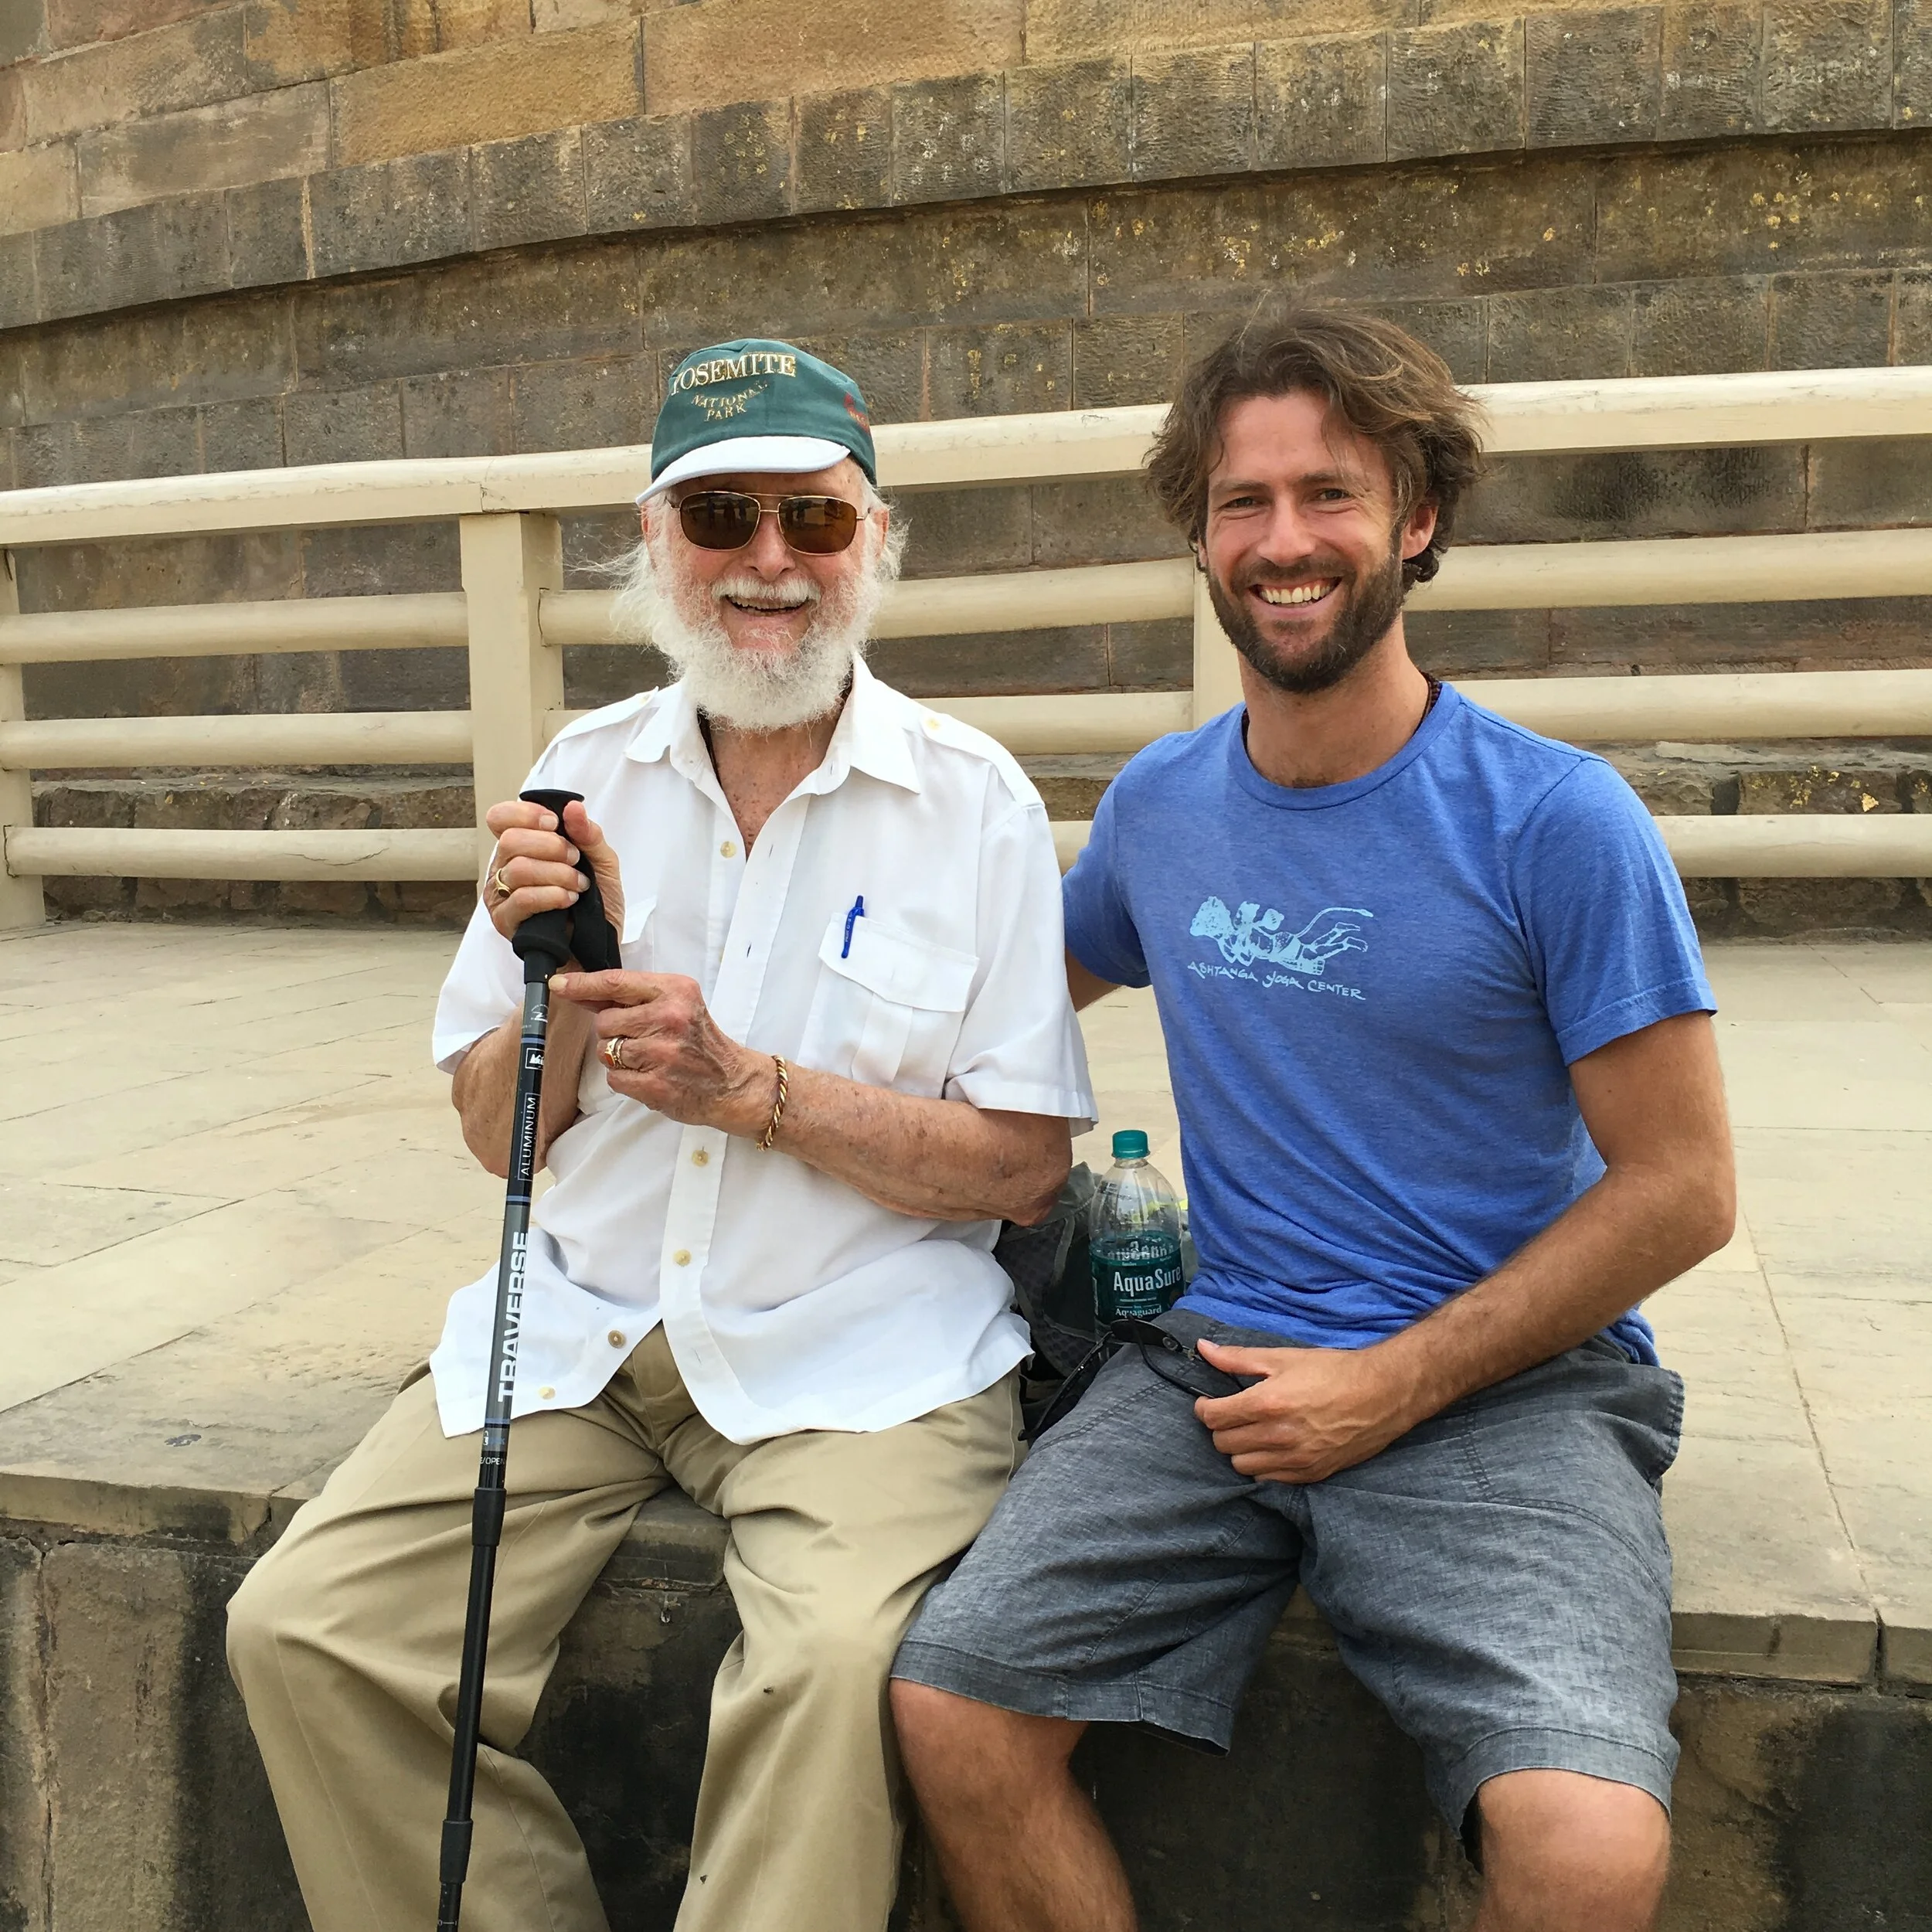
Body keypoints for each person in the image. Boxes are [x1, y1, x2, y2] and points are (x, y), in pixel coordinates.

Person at [226, 338, 1094, 1932]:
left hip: (862, 1353)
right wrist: (546, 993)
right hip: (584, 1325)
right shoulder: (577, 778)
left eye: (813, 522)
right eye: (721, 515)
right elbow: (495, 1140)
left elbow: (1020, 1162)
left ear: (874, 541)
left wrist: (745, 1085)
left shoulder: (969, 802)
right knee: (302, 1626)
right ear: (654, 543)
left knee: (832, 1669)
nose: (769, 562)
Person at [889, 308, 1736, 1932]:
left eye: (1329, 494)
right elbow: (976, 1007)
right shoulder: (1160, 805)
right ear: (1198, 536)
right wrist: (708, 1009)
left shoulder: (1556, 822)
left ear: (1416, 518)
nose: (1283, 541)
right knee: (953, 1707)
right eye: (1239, 502)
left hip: (1499, 1390)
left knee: (1585, 1844)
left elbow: (1683, 1188)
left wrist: (1391, 1381)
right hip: (1211, 1369)